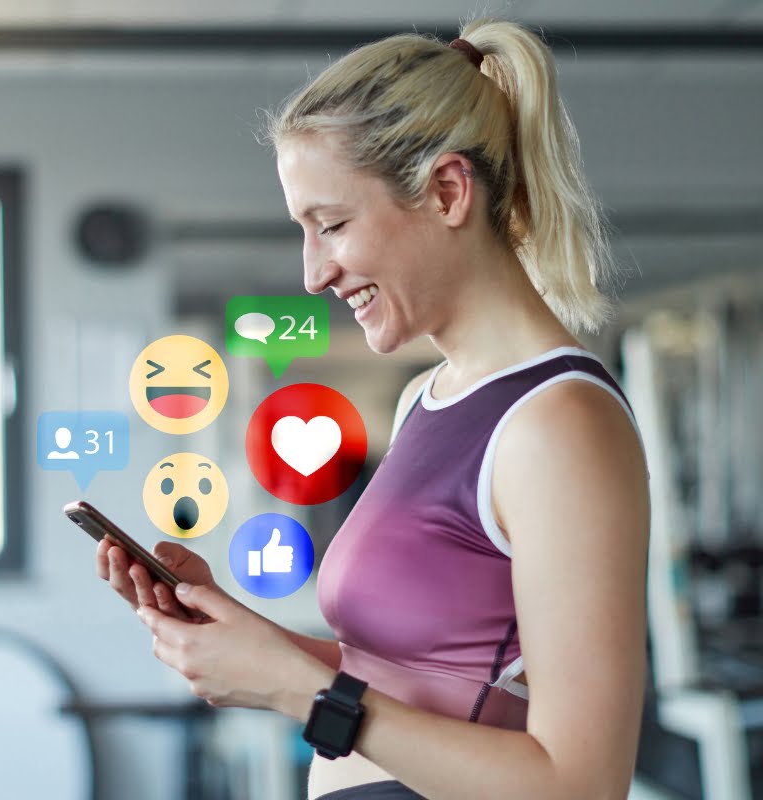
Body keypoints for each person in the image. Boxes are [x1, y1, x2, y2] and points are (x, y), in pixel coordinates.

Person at [97, 16, 650, 800]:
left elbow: (580, 786)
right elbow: (411, 678)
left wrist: (298, 693)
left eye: (332, 225)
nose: (314, 272)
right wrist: (249, 641)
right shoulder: (432, 400)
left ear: (448, 192)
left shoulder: (558, 423)